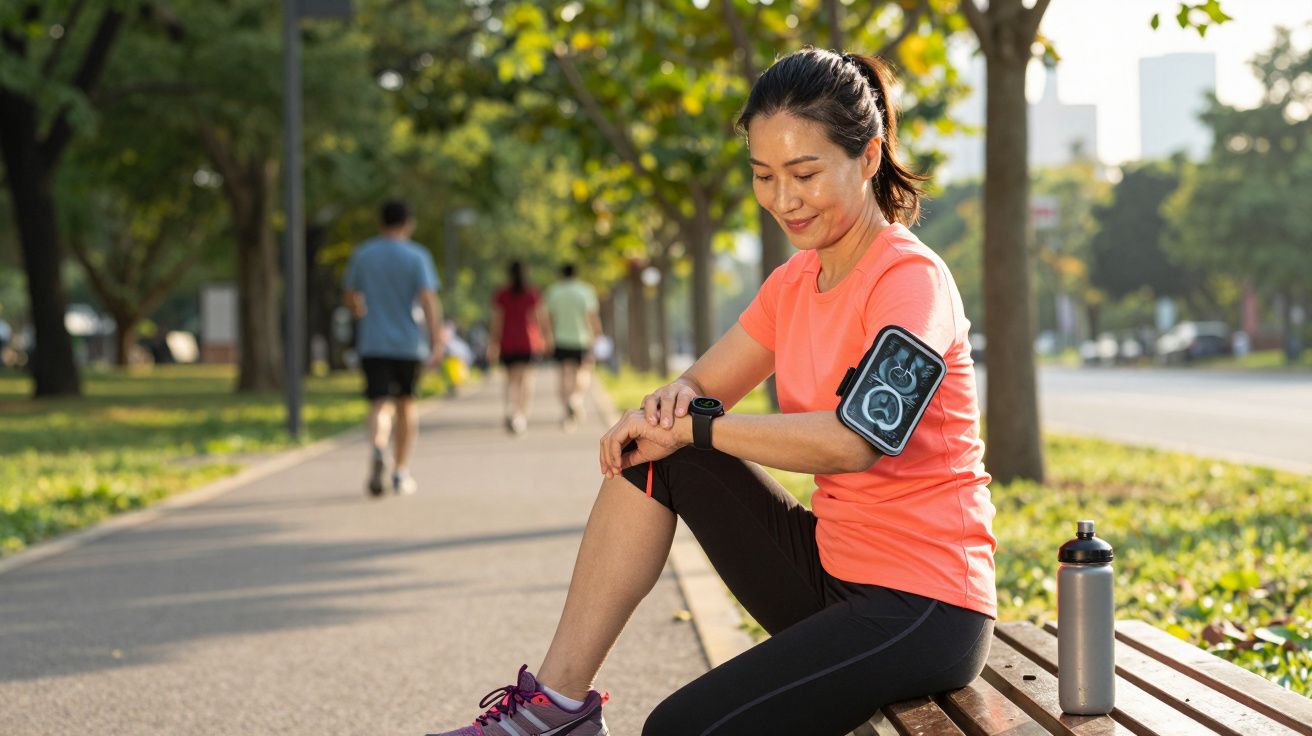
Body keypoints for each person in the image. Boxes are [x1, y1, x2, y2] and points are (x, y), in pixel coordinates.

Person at [427, 48, 995, 736]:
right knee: (655, 450)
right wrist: (667, 407)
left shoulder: (910, 281)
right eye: (763, 175)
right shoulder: (794, 282)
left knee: (679, 729)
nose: (783, 198)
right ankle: (558, 707)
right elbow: (699, 384)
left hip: (924, 606)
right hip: (831, 573)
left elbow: (855, 441)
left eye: (805, 173)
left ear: (869, 157)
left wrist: (697, 425)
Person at [343, 200, 443, 497]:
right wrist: (436, 338)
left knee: (378, 403)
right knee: (406, 405)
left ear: (381, 222)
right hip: (408, 344)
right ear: (408, 223)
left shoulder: (363, 254)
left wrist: (362, 311)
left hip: (373, 342)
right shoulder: (417, 256)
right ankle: (400, 471)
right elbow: (428, 299)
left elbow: (350, 296)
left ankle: (377, 448)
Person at [487, 260, 549, 435]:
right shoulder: (532, 294)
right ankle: (521, 416)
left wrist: (493, 343)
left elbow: (496, 321)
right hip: (528, 342)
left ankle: (511, 411)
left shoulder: (501, 295)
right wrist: (545, 337)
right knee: (526, 380)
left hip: (507, 343)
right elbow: (539, 318)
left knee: (510, 379)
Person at [543, 263, 603, 430]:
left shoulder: (554, 291)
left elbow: (548, 318)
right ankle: (575, 399)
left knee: (564, 374)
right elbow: (592, 316)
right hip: (582, 339)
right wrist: (597, 334)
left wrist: (548, 337)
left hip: (560, 339)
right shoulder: (585, 291)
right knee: (583, 372)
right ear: (576, 274)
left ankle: (565, 410)